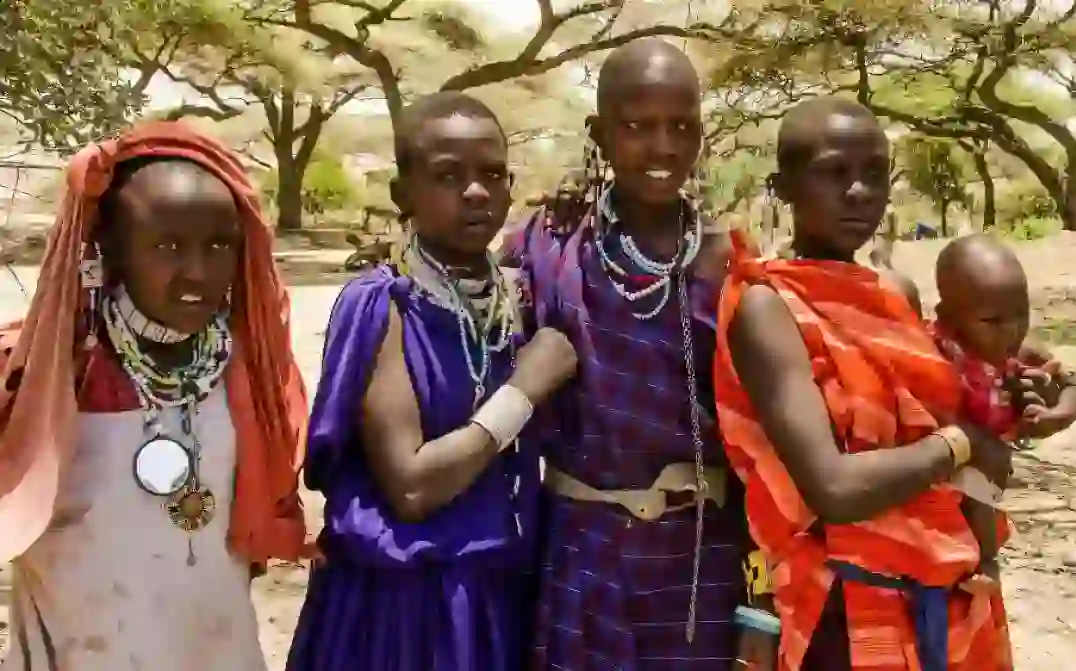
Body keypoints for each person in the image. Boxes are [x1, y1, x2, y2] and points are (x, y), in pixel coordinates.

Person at [715, 98, 1021, 671]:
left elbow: (949, 400)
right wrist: (964, 445)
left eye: (874, 173)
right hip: (844, 606)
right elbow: (833, 487)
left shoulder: (892, 295)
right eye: (833, 173)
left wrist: (1027, 396)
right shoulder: (767, 307)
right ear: (783, 187)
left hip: (946, 588)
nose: (859, 192)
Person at [0, 123, 309, 670]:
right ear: (111, 251)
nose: (198, 272)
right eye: (167, 246)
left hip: (216, 649)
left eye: (219, 246)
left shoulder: (253, 373)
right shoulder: (40, 375)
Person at [286, 92, 576, 671]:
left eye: (492, 175)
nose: (475, 192)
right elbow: (412, 488)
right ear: (404, 194)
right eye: (448, 176)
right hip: (404, 607)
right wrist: (523, 391)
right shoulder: (382, 305)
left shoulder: (518, 298)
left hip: (500, 593)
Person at [500, 38, 749, 668]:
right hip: (582, 550)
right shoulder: (547, 248)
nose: (663, 148)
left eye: (681, 127)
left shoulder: (731, 259)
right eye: (637, 126)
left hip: (700, 560)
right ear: (600, 133)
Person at [927, 234, 1076, 582]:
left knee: (979, 492)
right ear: (949, 317)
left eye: (1020, 314)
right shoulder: (938, 352)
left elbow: (1068, 385)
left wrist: (1055, 416)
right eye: (992, 321)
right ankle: (982, 559)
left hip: (987, 463)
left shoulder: (1022, 352)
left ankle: (986, 562)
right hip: (951, 457)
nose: (1011, 330)